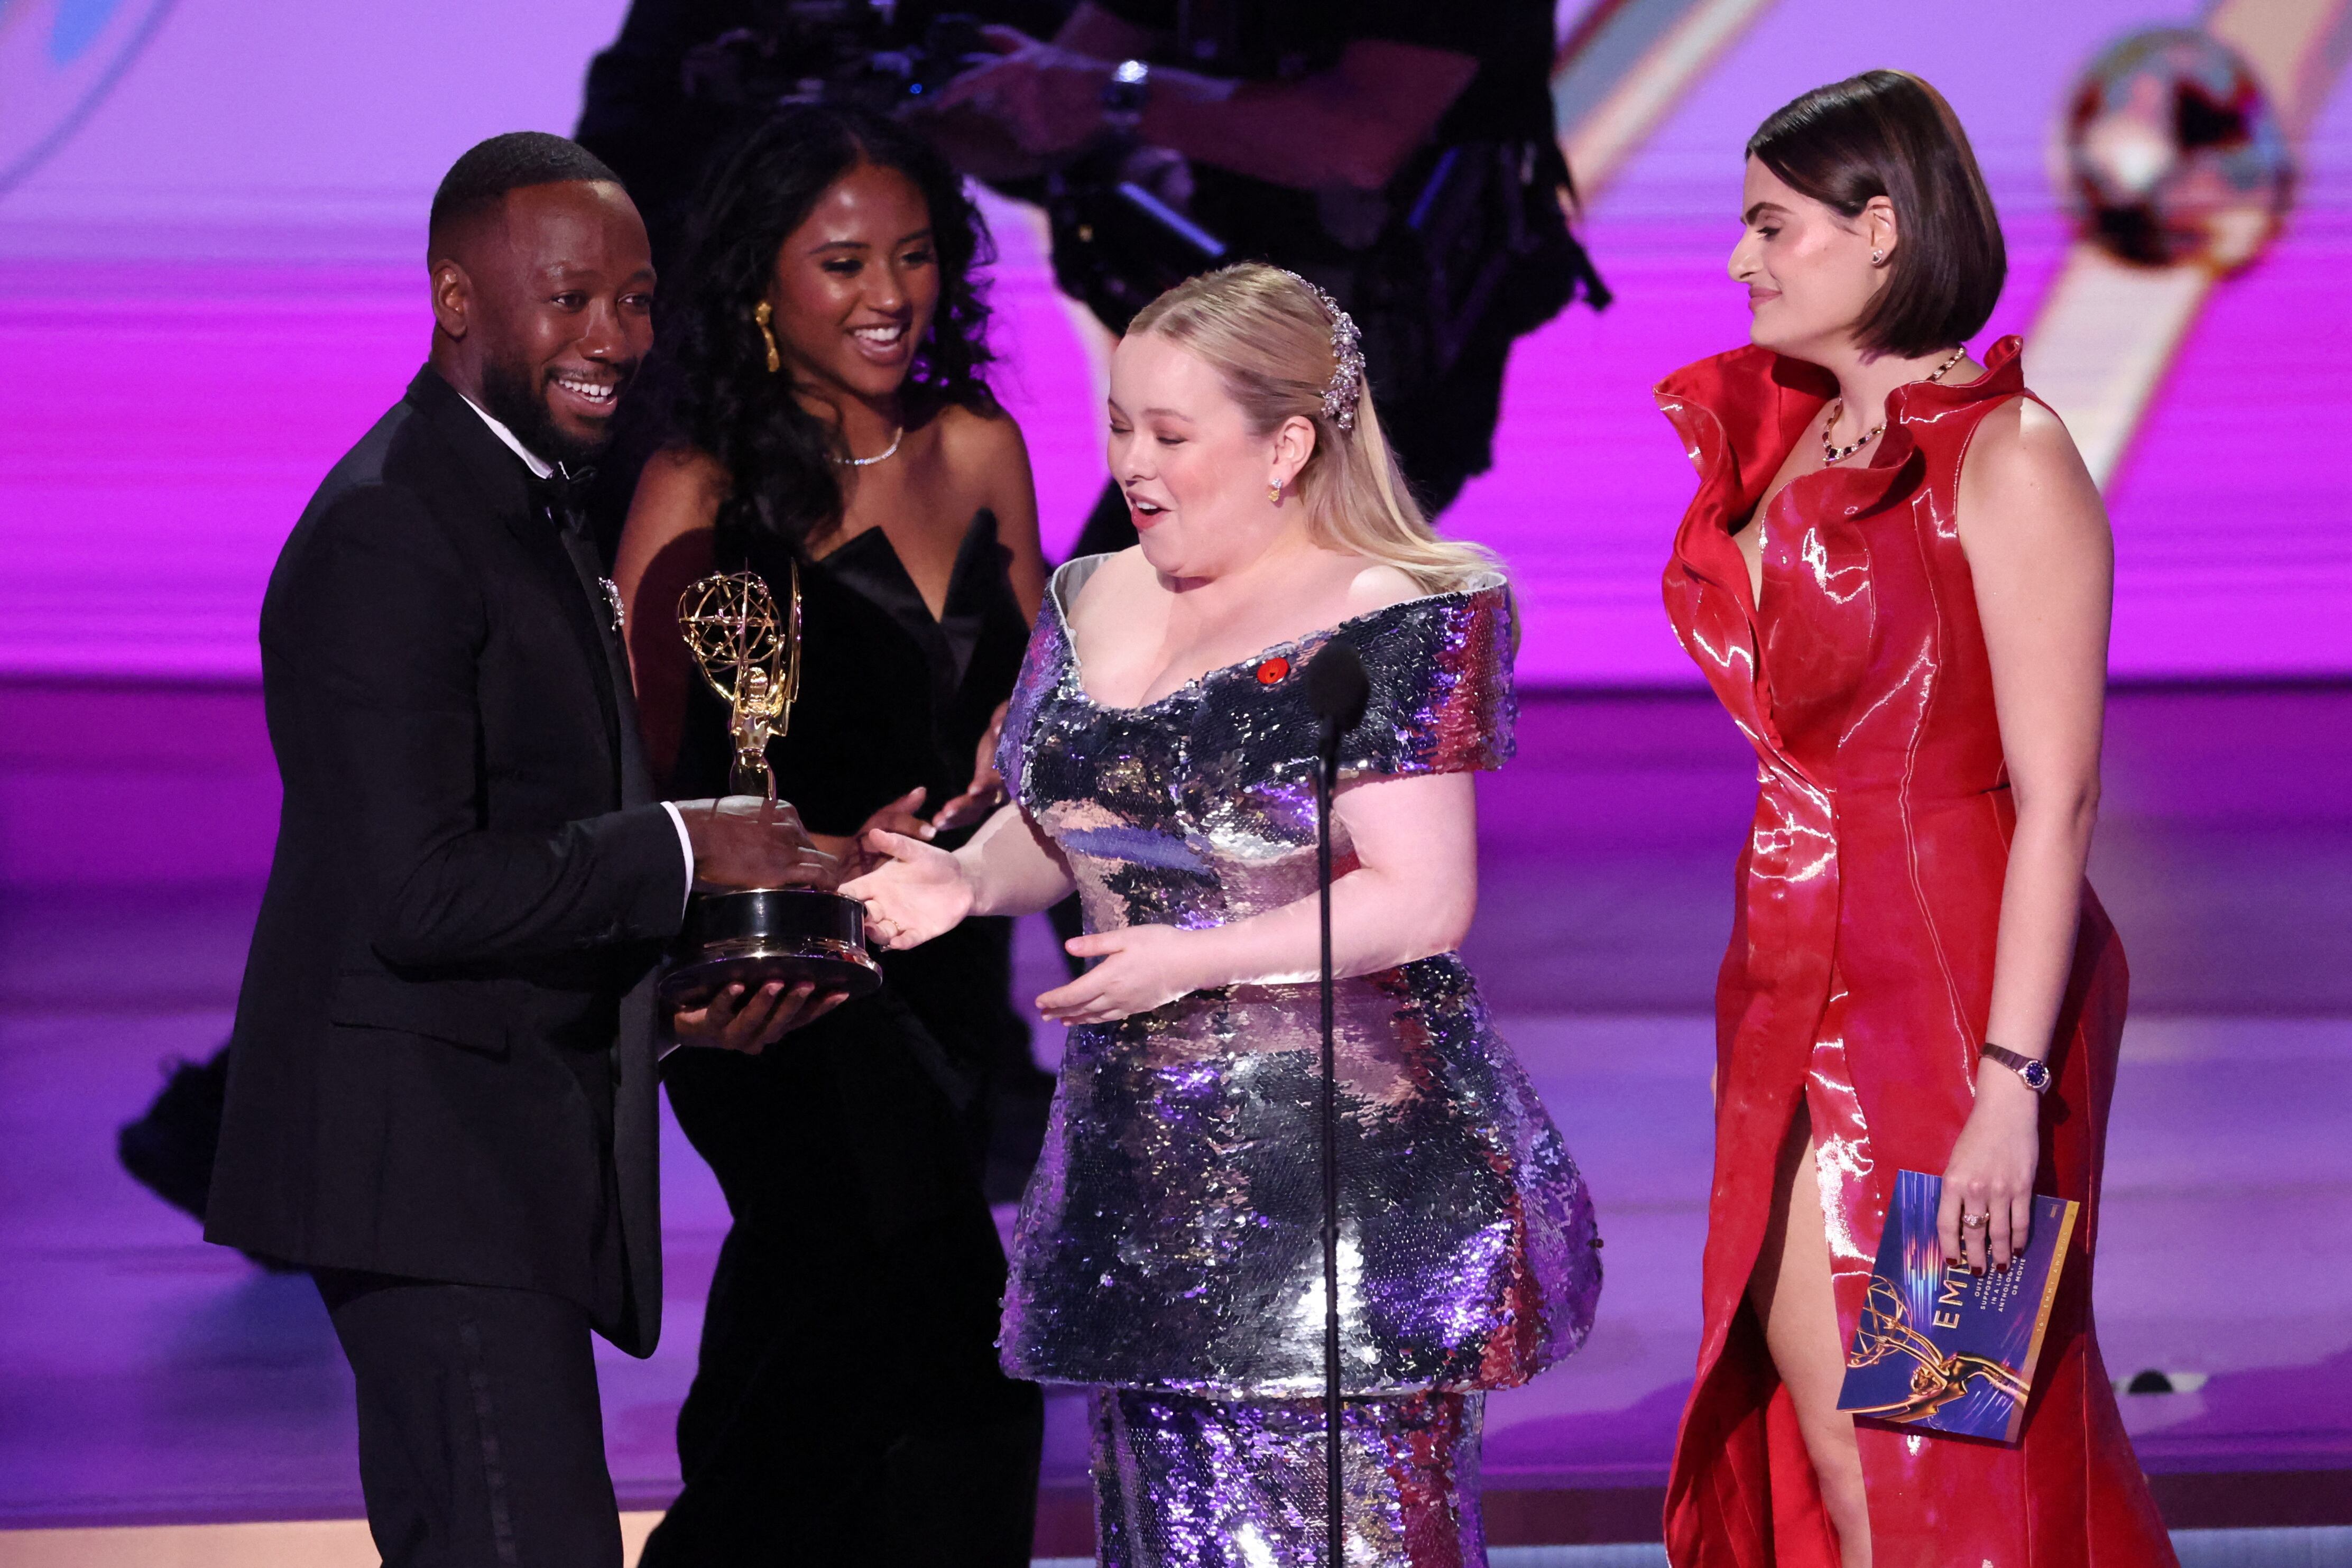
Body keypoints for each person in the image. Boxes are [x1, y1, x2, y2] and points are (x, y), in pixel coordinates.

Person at [844, 262, 1602, 1565]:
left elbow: (1421, 896)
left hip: (1337, 1190)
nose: (1131, 462)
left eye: (1170, 435)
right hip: (1143, 1176)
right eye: (1119, 424)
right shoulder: (1090, 594)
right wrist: (962, 878)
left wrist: (1190, 961)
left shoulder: (1395, 608)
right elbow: (1071, 810)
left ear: (1286, 442)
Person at [203, 133, 841, 1568]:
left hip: (481, 1147)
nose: (612, 337)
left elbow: (527, 836)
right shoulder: (395, 533)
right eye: (568, 300)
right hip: (426, 1167)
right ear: (455, 296)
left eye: (633, 298)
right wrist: (688, 850)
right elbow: (419, 889)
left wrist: (670, 985)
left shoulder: (517, 491)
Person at [1652, 74, 2176, 1567]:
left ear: (1880, 229)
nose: (1741, 261)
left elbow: (2056, 793)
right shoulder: (1781, 439)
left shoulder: (2007, 456)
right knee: (1818, 1407)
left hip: (1962, 992)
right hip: (1788, 968)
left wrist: (2010, 1084)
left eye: (1770, 225)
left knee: (1953, 1431)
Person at [608, 104, 1046, 1564]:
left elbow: (1044, 696)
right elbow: (630, 768)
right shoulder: (698, 485)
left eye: (914, 257)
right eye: (843, 261)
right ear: (760, 281)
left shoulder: (977, 442)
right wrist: (802, 858)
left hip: (943, 952)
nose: (888, 296)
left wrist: (1028, 767)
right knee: (896, 1288)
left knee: (877, 1314)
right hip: (774, 978)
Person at [924, 0, 1604, 554]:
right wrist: (909, 109)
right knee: (1107, 641)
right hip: (1227, 354)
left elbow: (1359, 144)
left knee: (1137, 654)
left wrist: (1114, 94)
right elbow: (1046, 118)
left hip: (1374, 382)